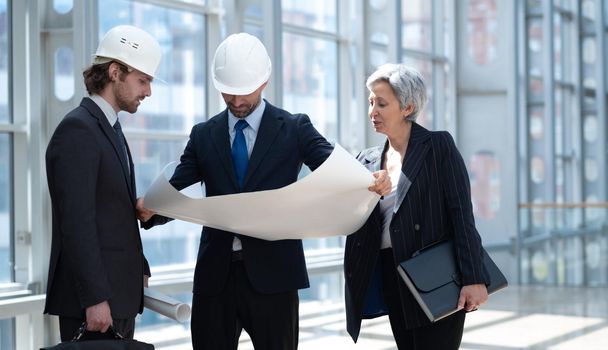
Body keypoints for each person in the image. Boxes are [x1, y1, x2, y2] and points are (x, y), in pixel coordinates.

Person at [136, 32, 389, 350]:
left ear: (265, 80)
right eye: (229, 93)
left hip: (275, 278)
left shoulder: (295, 128)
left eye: (245, 93)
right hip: (216, 280)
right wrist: (151, 210)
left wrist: (371, 179)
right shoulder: (203, 135)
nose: (237, 102)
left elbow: (337, 169)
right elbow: (177, 193)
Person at [343, 63, 490, 349]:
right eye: (371, 102)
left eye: (382, 103)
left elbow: (462, 215)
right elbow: (352, 217)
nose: (372, 111)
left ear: (408, 107)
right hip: (391, 274)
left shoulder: (438, 147)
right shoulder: (368, 160)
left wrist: (474, 279)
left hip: (435, 274)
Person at [44, 25, 162, 341]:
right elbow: (77, 223)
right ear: (114, 72)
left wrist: (139, 263)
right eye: (143, 80)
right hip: (94, 307)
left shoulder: (110, 130)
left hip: (116, 300)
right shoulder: (78, 130)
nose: (148, 91)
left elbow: (111, 214)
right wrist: (95, 299)